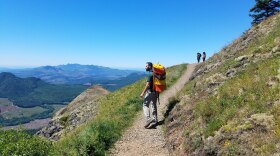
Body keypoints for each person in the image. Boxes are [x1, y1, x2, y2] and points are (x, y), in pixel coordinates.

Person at [140, 62, 158, 129]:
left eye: (146, 66)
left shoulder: (150, 74)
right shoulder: (155, 73)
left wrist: (143, 93)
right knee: (153, 105)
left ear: (150, 66)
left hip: (150, 92)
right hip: (156, 92)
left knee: (145, 105)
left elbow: (147, 85)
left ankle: (148, 119)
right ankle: (155, 120)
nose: (145, 67)